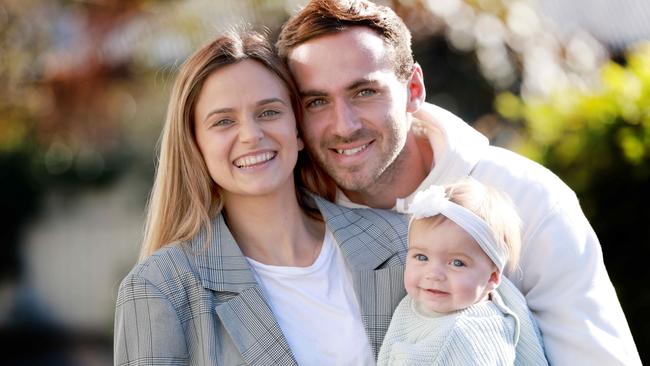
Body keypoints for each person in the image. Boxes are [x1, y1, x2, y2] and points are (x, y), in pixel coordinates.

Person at [276, 0, 641, 364]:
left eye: (364, 92)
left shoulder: (529, 199)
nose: (344, 125)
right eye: (317, 102)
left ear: (414, 88)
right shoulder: (289, 219)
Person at [113, 28, 408, 365]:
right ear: (195, 146)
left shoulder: (401, 242)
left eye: (269, 112)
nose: (252, 135)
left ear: (297, 129)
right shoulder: (160, 289)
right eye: (224, 121)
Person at [377, 178, 547, 365]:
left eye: (457, 263)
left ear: (492, 277)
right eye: (421, 257)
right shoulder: (419, 304)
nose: (433, 274)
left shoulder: (465, 338)